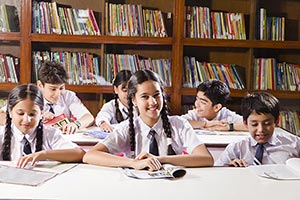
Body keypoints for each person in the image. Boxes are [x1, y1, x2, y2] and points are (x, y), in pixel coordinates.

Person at [83, 70, 213, 170]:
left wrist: (160, 160)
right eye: (145, 97)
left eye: (157, 95)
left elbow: (206, 158)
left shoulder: (178, 124)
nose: (153, 102)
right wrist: (134, 163)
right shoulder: (127, 128)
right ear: (134, 100)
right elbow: (90, 155)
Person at [0, 84, 85, 168]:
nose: (26, 119)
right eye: (20, 113)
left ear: (41, 113)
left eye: (32, 114)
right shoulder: (2, 135)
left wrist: (44, 154)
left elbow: (79, 153)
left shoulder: (50, 134)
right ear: (10, 112)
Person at [0, 61, 95, 134]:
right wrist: (36, 117)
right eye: (53, 89)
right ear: (40, 85)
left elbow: (88, 117)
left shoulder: (68, 96)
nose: (58, 93)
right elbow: (2, 115)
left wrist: (76, 124)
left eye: (61, 88)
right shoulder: (29, 96)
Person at [215, 92, 300, 167]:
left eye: (267, 124)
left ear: (276, 121)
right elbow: (217, 174)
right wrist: (229, 168)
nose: (261, 129)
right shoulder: (236, 148)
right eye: (254, 124)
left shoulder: (295, 144)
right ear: (245, 123)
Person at [181, 79, 247, 131]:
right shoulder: (195, 114)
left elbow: (250, 125)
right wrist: (206, 124)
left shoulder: (226, 115)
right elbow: (177, 123)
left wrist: (229, 126)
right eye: (197, 99)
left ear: (217, 107)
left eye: (202, 102)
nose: (196, 104)